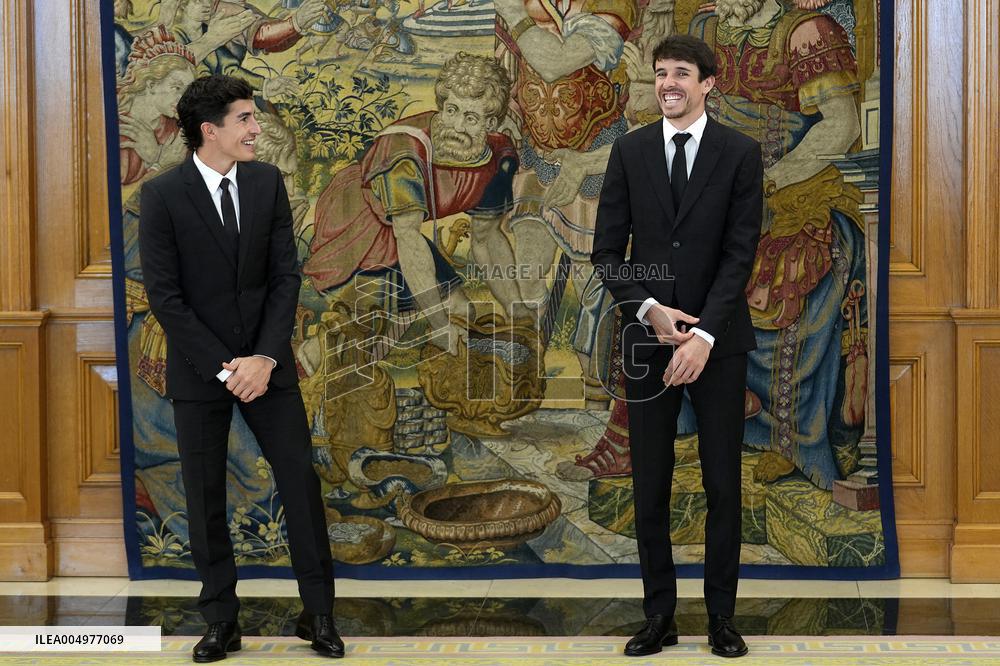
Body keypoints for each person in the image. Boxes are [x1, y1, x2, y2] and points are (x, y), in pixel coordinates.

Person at [138, 74, 343, 662]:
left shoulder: (267, 183)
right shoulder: (162, 196)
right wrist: (226, 368)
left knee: (301, 484)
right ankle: (221, 622)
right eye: (246, 119)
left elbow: (285, 278)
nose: (256, 129)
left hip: (268, 366)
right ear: (211, 131)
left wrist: (265, 358)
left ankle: (319, 614)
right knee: (204, 495)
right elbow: (165, 296)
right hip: (203, 373)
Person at [591, 35, 762, 658]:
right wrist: (650, 311)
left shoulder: (741, 153)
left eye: (681, 74)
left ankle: (722, 618)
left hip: (719, 342)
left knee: (722, 484)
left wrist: (704, 338)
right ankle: (658, 617)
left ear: (708, 83)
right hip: (646, 340)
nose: (668, 83)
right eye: (661, 73)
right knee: (652, 484)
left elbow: (741, 252)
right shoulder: (630, 152)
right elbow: (606, 253)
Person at [302, 52, 520, 351]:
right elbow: (407, 236)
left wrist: (517, 311)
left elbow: (487, 238)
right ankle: (307, 364)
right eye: (451, 110)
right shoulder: (405, 150)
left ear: (491, 122)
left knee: (460, 310)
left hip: (399, 229)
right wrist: (439, 324)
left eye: (470, 118)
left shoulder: (498, 158)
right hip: (359, 219)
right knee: (366, 322)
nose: (456, 126)